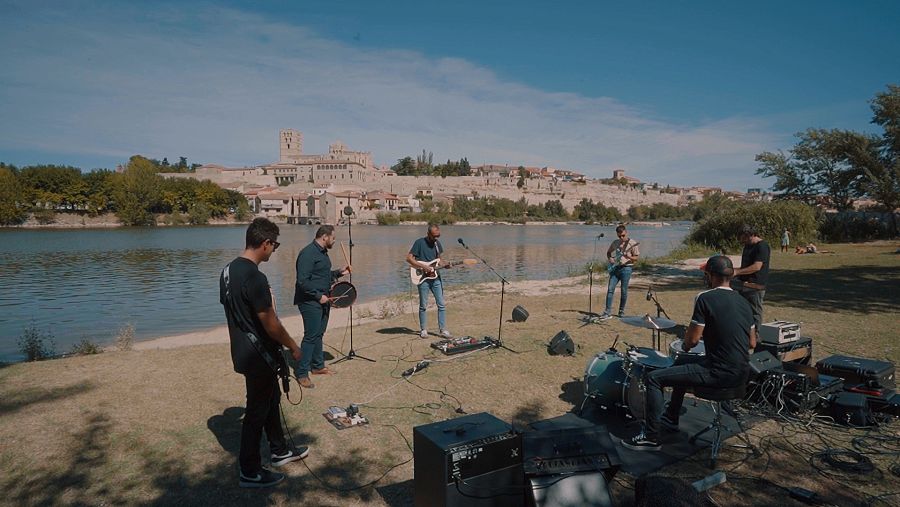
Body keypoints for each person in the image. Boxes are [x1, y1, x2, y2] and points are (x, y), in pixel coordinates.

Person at [622, 255, 756, 451]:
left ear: (710, 276)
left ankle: (650, 437)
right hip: (742, 373)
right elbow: (752, 342)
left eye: (706, 274)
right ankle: (671, 416)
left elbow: (692, 341)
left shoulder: (705, 298)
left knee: (653, 378)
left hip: (717, 373)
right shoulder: (744, 302)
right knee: (682, 363)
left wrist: (685, 345)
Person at [219, 218, 309, 488]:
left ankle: (279, 450)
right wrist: (293, 346)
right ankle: (249, 470)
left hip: (242, 351)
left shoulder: (227, 271)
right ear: (266, 243)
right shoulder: (255, 277)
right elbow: (270, 323)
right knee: (256, 411)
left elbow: (237, 312)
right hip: (259, 355)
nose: (275, 250)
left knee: (271, 399)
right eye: (275, 245)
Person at [293, 225, 351, 389]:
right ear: (325, 237)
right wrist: (318, 296)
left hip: (324, 300)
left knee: (319, 334)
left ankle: (318, 366)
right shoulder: (307, 253)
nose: (334, 240)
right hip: (309, 301)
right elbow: (302, 281)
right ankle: (302, 373)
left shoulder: (323, 253)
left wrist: (339, 273)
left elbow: (322, 276)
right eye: (333, 237)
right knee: (311, 336)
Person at [407, 223, 451, 338]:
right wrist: (423, 267)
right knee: (423, 305)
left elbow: (439, 261)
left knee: (441, 304)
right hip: (423, 279)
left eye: (438, 236)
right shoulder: (419, 243)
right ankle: (423, 330)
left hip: (436, 278)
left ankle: (443, 330)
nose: (436, 238)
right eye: (434, 236)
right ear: (428, 234)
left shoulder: (437, 244)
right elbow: (409, 258)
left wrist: (446, 265)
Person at [732, 224, 770, 329]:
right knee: (742, 311)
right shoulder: (747, 245)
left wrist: (737, 272)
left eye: (744, 238)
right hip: (744, 285)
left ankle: (756, 334)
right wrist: (733, 272)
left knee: (755, 313)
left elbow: (756, 266)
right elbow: (745, 266)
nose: (742, 241)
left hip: (755, 286)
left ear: (750, 235)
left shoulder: (762, 246)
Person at [600, 225, 640, 320]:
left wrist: (628, 256)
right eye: (619, 236)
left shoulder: (633, 243)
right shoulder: (615, 242)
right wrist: (610, 258)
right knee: (610, 289)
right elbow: (608, 252)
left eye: (623, 235)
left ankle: (621, 311)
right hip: (615, 269)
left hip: (626, 269)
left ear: (626, 232)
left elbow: (636, 258)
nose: (621, 238)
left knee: (623, 290)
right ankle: (607, 312)